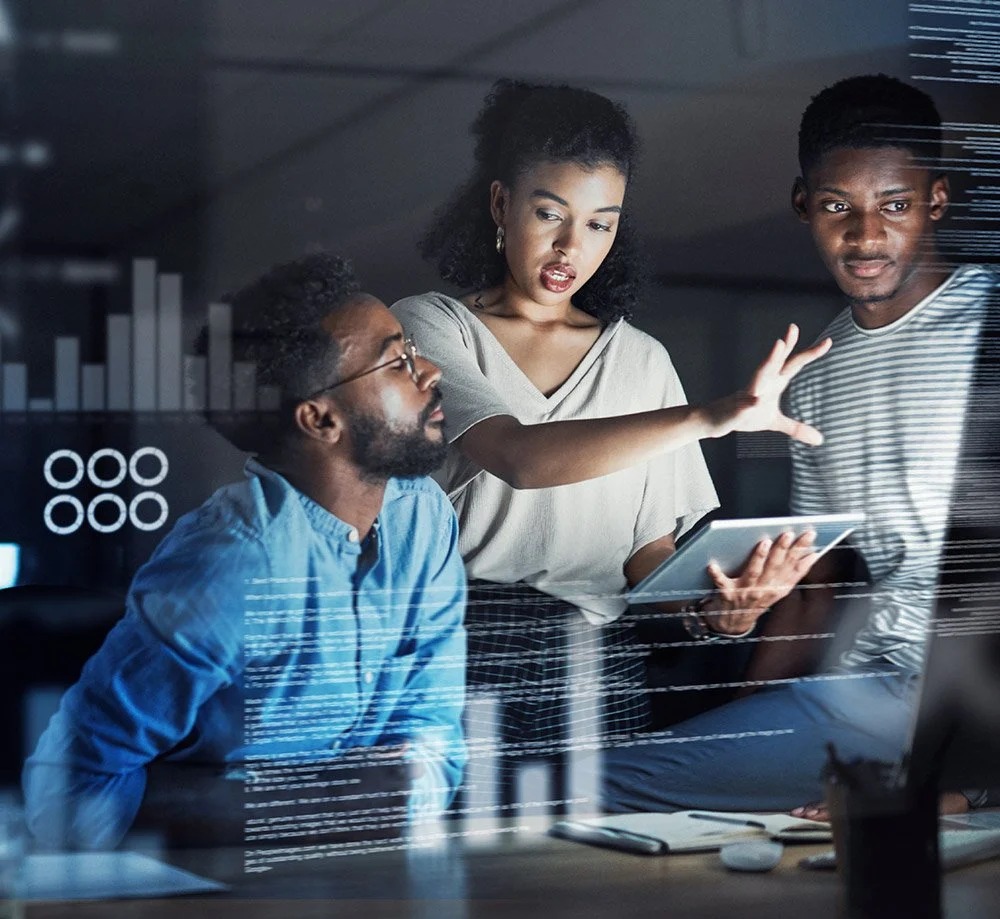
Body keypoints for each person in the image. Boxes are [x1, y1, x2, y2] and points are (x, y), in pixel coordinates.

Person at [392, 80, 828, 774]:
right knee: (458, 871)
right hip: (459, 653)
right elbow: (518, 456)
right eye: (550, 213)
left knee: (597, 874)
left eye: (601, 222)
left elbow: (645, 562)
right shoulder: (429, 326)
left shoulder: (642, 360)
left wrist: (724, 612)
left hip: (596, 670)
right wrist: (710, 417)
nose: (572, 245)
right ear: (502, 204)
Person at [601, 74, 1000, 814]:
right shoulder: (819, 372)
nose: (866, 235)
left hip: (972, 716)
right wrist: (740, 726)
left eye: (896, 206)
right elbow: (820, 578)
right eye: (837, 206)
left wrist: (963, 774)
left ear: (937, 200)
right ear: (802, 204)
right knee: (601, 788)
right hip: (874, 699)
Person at [22, 253, 468, 849]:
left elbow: (435, 743)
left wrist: (362, 800)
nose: (431, 370)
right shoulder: (231, 562)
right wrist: (319, 806)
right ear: (319, 419)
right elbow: (63, 796)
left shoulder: (425, 518)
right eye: (397, 361)